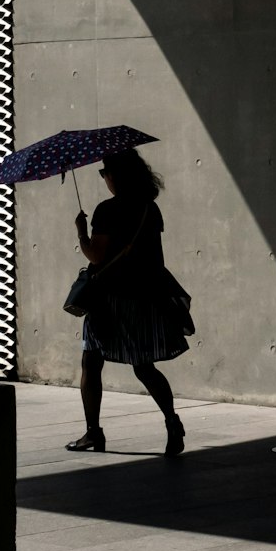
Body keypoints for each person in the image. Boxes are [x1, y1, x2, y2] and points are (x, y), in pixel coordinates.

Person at [66, 147, 190, 456]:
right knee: (144, 366)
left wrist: (81, 233)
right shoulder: (149, 208)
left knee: (91, 362)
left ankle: (93, 433)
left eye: (104, 172)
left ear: (114, 175)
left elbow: (96, 254)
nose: (104, 178)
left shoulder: (107, 210)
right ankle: (172, 421)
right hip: (145, 296)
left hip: (110, 299)